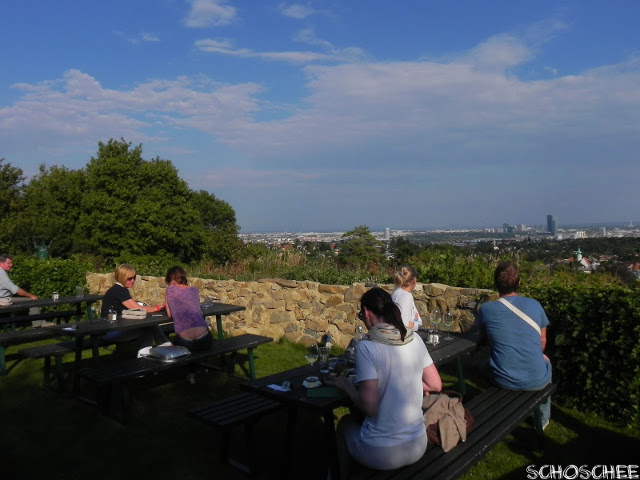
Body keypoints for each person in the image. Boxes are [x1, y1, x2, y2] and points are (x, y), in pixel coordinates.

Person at [334, 287, 442, 477]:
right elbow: (435, 385)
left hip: (383, 453)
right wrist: (403, 384)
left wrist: (346, 386)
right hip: (418, 444)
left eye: (361, 315)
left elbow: (370, 408)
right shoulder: (413, 338)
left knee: (345, 424)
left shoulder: (366, 347)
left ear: (367, 312)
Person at [475, 260, 552, 428]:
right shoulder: (534, 305)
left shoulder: (486, 309)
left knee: (484, 361)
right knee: (546, 361)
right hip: (536, 379)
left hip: (503, 378)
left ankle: (491, 402)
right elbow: (542, 340)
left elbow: (482, 334)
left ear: (495, 284)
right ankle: (543, 417)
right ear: (519, 283)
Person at [100, 264, 168, 347]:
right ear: (122, 277)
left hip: (110, 329)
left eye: (134, 277)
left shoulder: (117, 289)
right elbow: (138, 309)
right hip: (111, 331)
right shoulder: (120, 291)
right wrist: (158, 307)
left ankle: (160, 346)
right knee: (148, 327)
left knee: (149, 326)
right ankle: (159, 348)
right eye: (129, 278)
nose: (133, 280)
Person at [164, 266, 213, 351]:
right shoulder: (194, 290)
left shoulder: (169, 290)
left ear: (172, 280)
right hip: (205, 339)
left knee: (169, 344)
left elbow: (169, 314)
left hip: (185, 342)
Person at [0, 254, 46, 327]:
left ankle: (41, 322)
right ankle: (38, 326)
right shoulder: (1, 273)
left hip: (4, 298)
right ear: (1, 263)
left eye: (11, 263)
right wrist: (31, 295)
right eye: (9, 263)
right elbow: (16, 290)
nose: (11, 265)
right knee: (32, 301)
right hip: (3, 299)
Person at [391, 264, 422, 331]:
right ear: (414, 280)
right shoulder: (405, 296)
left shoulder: (395, 293)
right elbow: (404, 326)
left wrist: (414, 323)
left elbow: (417, 319)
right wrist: (414, 324)